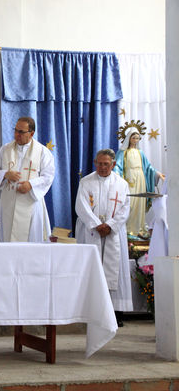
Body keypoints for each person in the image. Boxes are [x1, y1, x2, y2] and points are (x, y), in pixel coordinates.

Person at [75, 149, 132, 325]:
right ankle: (91, 312)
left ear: (113, 164)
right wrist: (96, 225)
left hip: (113, 233)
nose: (102, 167)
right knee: (91, 269)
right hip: (91, 232)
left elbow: (125, 209)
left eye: (106, 164)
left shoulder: (121, 184)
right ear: (95, 163)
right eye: (99, 163)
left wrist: (111, 225)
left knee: (114, 270)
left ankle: (116, 313)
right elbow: (81, 206)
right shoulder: (86, 182)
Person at [0, 117, 55, 242]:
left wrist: (31, 184)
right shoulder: (5, 149)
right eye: (15, 130)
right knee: (8, 239)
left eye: (21, 132)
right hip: (9, 204)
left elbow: (48, 176)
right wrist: (5, 174)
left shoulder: (42, 152)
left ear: (31, 133)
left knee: (30, 242)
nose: (16, 135)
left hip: (30, 203)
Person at [114, 128, 165, 235]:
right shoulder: (123, 152)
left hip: (140, 179)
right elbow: (117, 166)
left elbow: (148, 168)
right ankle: (128, 228)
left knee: (139, 203)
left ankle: (139, 228)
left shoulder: (140, 152)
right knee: (130, 203)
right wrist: (117, 175)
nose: (135, 140)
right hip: (129, 179)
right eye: (133, 138)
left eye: (137, 138)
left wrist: (158, 174)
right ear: (129, 138)